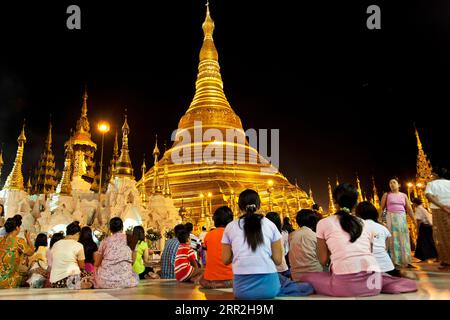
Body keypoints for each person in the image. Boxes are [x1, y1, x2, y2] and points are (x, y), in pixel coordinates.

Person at [299, 183, 417, 297]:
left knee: (306, 278)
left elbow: (323, 260)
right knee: (384, 278)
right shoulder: (365, 224)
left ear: (334, 201)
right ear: (356, 203)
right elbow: (370, 252)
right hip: (374, 284)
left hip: (344, 286)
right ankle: (386, 282)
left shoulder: (323, 223)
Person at [222, 189, 313, 299]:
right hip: (269, 288)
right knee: (306, 286)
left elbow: (225, 260)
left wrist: (237, 250)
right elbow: (278, 260)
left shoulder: (230, 227)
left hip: (241, 290)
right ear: (259, 205)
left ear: (239, 206)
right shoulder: (270, 224)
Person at [380, 177, 416, 268]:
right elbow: (381, 209)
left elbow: (409, 208)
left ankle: (407, 261)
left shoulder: (404, 195)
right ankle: (395, 261)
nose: (391, 184)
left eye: (394, 182)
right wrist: (380, 220)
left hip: (402, 218)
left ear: (398, 185)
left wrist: (414, 220)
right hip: (391, 218)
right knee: (394, 239)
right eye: (390, 183)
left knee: (404, 238)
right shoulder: (386, 195)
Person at [94, 217, 138, 289]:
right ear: (122, 227)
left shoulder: (105, 241)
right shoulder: (131, 239)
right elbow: (133, 261)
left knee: (95, 269)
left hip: (105, 282)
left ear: (110, 229)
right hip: (126, 281)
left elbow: (97, 263)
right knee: (136, 275)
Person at [355, 201, 396, 275]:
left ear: (358, 215)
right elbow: (386, 248)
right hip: (388, 268)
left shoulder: (357, 228)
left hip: (369, 271)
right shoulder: (383, 228)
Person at [50, 221, 92, 289]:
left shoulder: (55, 244)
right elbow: (81, 266)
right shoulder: (78, 245)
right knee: (91, 275)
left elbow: (53, 262)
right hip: (71, 280)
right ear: (77, 234)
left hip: (55, 282)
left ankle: (78, 284)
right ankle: (80, 284)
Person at [200, 206, 233, 289]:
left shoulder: (208, 235)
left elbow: (206, 257)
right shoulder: (233, 234)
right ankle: (222, 284)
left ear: (214, 221)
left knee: (201, 279)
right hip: (230, 277)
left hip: (210, 278)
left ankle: (215, 284)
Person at [425, 167, 450, 269]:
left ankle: (446, 260)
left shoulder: (432, 184)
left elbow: (428, 196)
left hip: (439, 210)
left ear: (435, 175)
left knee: (441, 235)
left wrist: (441, 205)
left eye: (432, 175)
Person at [289, 209, 323, 281]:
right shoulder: (315, 236)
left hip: (296, 276)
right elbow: (322, 258)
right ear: (314, 222)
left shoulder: (291, 236)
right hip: (315, 274)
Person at [0, 218, 34, 288]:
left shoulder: (1, 239)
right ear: (17, 228)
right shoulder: (18, 241)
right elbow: (31, 252)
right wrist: (27, 238)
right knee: (30, 274)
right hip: (9, 282)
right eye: (19, 227)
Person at [411, 197, 437, 262]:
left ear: (415, 203)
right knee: (424, 241)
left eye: (413, 203)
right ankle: (424, 257)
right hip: (428, 227)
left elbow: (419, 220)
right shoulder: (422, 208)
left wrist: (417, 229)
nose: (413, 204)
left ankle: (432, 256)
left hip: (424, 227)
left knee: (424, 242)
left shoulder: (418, 209)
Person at [265, 212, 290, 278]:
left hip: (269, 268)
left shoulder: (264, 235)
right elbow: (286, 250)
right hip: (283, 266)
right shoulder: (284, 233)